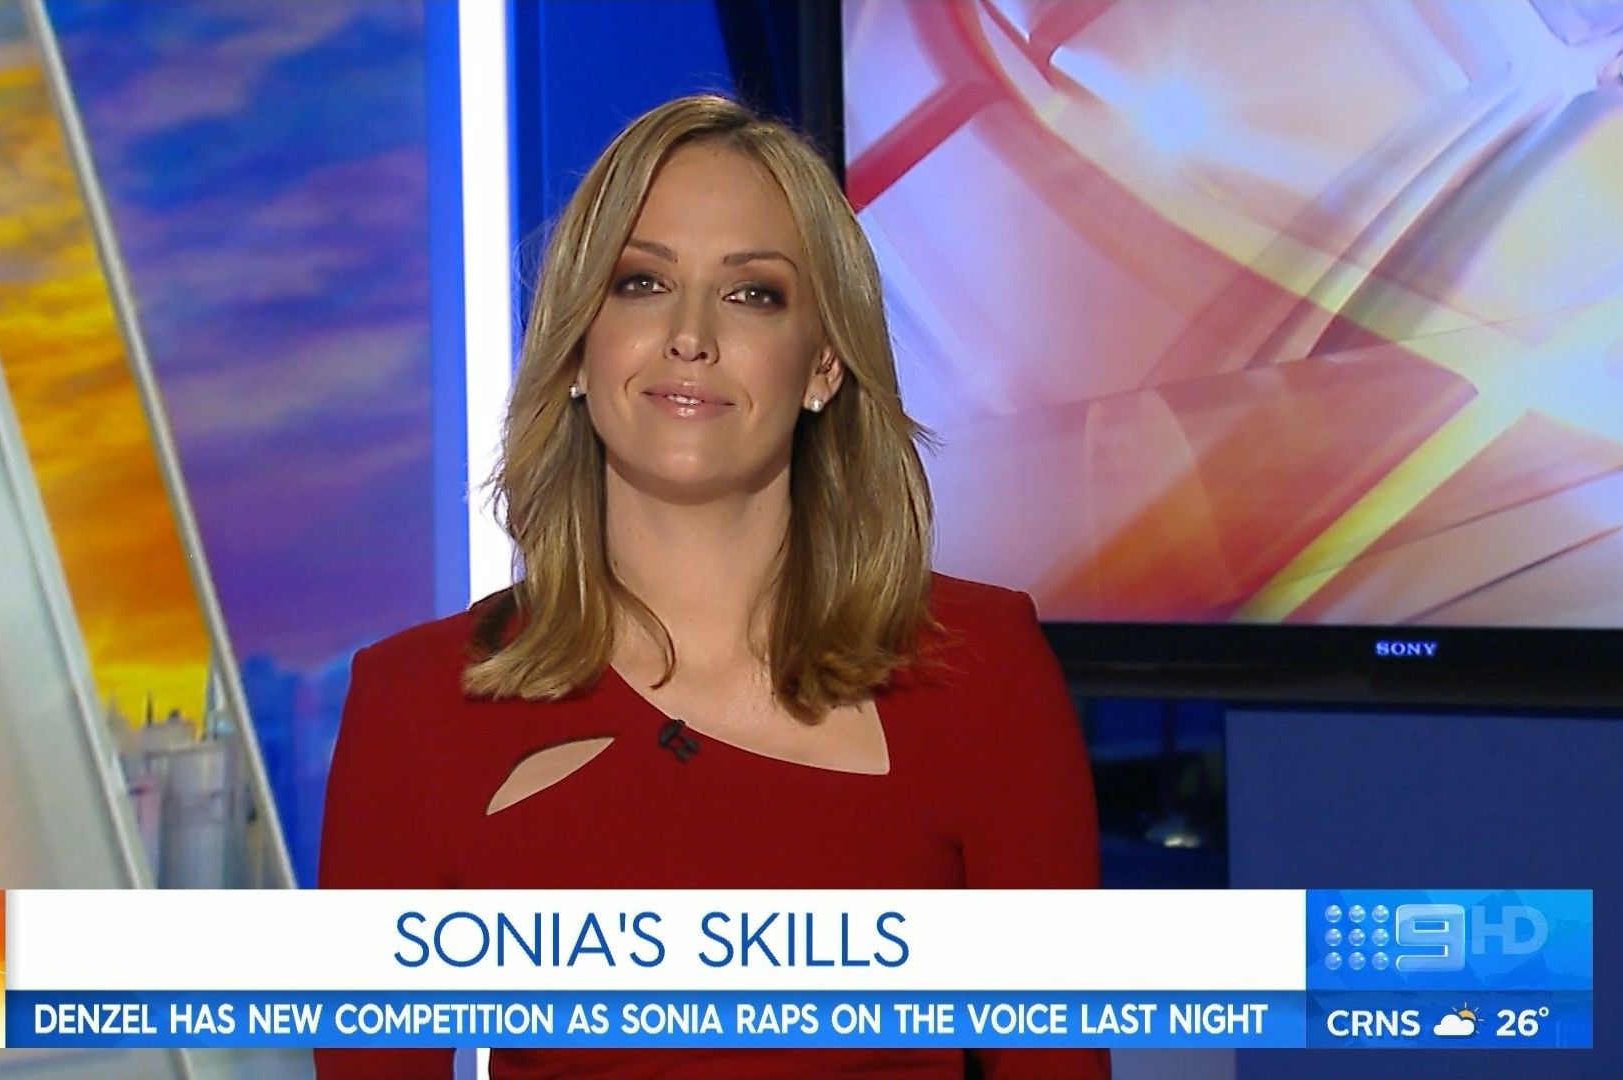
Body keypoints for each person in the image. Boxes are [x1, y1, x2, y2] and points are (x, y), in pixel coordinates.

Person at [318, 93, 1106, 1080]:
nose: (689, 335)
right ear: (578, 347)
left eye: (752, 294)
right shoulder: (416, 705)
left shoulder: (979, 672)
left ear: (823, 365)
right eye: (642, 283)